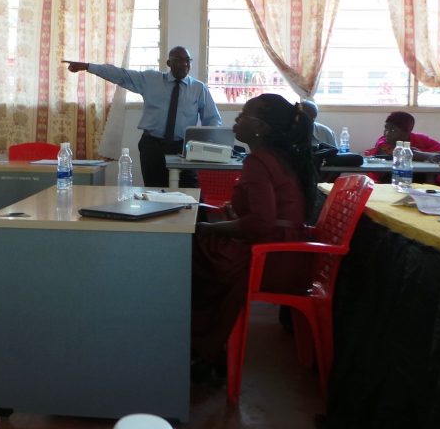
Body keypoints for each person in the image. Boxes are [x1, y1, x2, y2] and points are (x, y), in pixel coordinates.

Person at [190, 94, 317, 381]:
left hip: (272, 259)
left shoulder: (259, 161)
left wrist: (210, 228)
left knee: (188, 253)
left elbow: (261, 223)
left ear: (261, 128)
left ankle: (204, 348)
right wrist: (232, 215)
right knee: (197, 249)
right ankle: (207, 347)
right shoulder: (279, 158)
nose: (236, 120)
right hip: (288, 253)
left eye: (244, 115)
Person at [65, 47, 221, 188]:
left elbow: (212, 119)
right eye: (178, 60)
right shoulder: (151, 80)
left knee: (190, 192)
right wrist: (88, 66)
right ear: (169, 63)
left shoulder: (199, 88)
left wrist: (208, 145)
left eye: (187, 60)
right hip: (153, 146)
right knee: (155, 191)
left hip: (183, 149)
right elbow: (121, 75)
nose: (184, 64)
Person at [366, 111, 440, 162]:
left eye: (393, 130)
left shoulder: (420, 139)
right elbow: (396, 153)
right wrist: (427, 156)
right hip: (390, 179)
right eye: (386, 128)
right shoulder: (383, 142)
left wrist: (422, 153)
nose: (387, 133)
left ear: (407, 132)